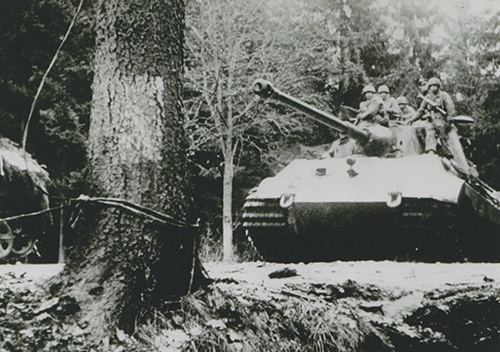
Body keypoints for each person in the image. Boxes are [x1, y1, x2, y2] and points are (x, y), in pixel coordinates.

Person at [411, 77, 456, 153]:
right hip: (431, 119)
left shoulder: (444, 95)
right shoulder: (428, 97)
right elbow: (421, 110)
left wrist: (449, 120)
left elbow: (451, 109)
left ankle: (446, 149)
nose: (433, 88)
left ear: (438, 87)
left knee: (442, 133)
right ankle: (431, 150)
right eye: (431, 86)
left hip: (442, 120)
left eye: (435, 86)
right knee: (429, 131)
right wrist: (412, 119)